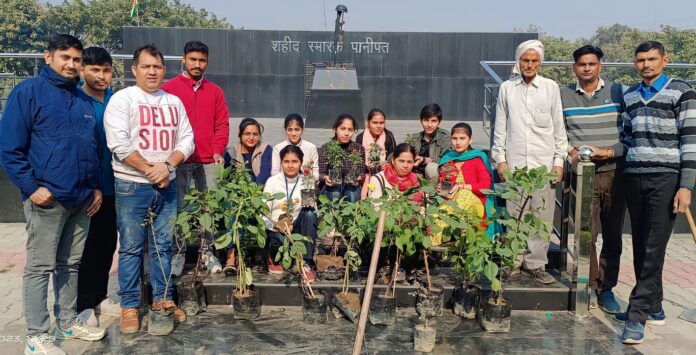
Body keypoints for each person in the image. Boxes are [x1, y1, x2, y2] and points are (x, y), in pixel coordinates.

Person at [0, 34, 105, 354]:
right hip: (48, 199)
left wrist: (95, 186)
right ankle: (36, 335)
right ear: (49, 58)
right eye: (65, 58)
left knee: (70, 265)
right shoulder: (28, 93)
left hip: (81, 199)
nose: (72, 64)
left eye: (77, 60)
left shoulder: (83, 100)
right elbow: (9, 150)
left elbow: (90, 149)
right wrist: (33, 188)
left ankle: (68, 321)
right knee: (39, 267)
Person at [104, 44, 195, 333]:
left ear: (163, 70)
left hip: (166, 186)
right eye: (146, 66)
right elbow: (119, 144)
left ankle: (162, 300)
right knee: (131, 249)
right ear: (134, 70)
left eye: (157, 66)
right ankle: (129, 306)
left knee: (162, 247)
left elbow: (187, 140)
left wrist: (167, 166)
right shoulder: (122, 100)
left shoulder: (173, 102)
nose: (152, 71)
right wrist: (150, 170)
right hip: (132, 186)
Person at [615, 41, 696, 345]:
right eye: (640, 60)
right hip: (635, 176)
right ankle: (656, 307)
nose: (646, 64)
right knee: (640, 245)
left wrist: (686, 185)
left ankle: (637, 316)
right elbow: (627, 138)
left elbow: (690, 140)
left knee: (653, 247)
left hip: (666, 178)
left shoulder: (682, 91)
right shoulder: (631, 95)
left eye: (652, 59)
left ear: (665, 60)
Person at [491, 39, 568, 285]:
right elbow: (500, 127)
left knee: (542, 216)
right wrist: (500, 160)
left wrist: (559, 161)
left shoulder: (550, 87)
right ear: (519, 61)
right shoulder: (507, 88)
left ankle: (535, 265)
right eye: (526, 60)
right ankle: (513, 261)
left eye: (535, 61)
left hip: (543, 165)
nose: (530, 65)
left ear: (540, 63)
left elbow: (559, 126)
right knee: (515, 215)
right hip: (515, 165)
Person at [560, 45, 626, 314]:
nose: (586, 68)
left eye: (591, 64)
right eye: (581, 64)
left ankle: (606, 289)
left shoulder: (617, 92)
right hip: (583, 173)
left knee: (613, 234)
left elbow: (630, 133)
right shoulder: (563, 95)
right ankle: (587, 283)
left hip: (614, 172)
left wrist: (610, 151)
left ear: (600, 65)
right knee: (587, 234)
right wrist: (573, 152)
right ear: (574, 67)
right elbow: (558, 133)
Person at [162, 40, 230, 277]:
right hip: (178, 161)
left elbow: (221, 124)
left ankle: (208, 252)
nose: (197, 64)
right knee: (179, 209)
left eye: (202, 60)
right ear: (184, 59)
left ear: (207, 62)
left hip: (207, 162)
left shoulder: (215, 91)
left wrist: (218, 149)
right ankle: (178, 253)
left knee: (208, 209)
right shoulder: (169, 89)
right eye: (193, 59)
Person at [75, 47, 121, 327]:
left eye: (106, 70)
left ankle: (101, 296)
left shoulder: (116, 101)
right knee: (84, 248)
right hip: (86, 189)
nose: (101, 76)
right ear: (83, 70)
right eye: (95, 70)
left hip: (114, 185)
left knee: (106, 244)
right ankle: (82, 305)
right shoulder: (75, 100)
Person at [263, 145, 318, 282]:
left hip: (297, 227)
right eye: (286, 161)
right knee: (278, 244)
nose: (290, 165)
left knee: (310, 213)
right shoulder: (273, 182)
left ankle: (306, 262)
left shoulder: (306, 180)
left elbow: (309, 210)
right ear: (281, 162)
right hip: (277, 227)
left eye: (294, 161)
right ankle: (272, 257)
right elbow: (263, 213)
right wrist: (276, 226)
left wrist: (292, 224)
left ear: (301, 162)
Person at [438, 123, 495, 223]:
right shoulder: (448, 159)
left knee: (464, 194)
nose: (458, 142)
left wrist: (462, 187)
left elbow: (485, 186)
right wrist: (440, 188)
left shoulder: (477, 158)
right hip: (451, 203)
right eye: (454, 138)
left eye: (462, 138)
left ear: (470, 140)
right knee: (436, 216)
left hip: (475, 203)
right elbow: (446, 190)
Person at [318, 114, 366, 202]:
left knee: (351, 192)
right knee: (335, 191)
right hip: (331, 187)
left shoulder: (359, 148)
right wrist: (325, 177)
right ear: (335, 129)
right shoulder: (326, 148)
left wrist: (359, 177)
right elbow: (320, 173)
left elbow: (362, 172)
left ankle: (351, 215)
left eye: (350, 130)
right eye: (342, 129)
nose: (346, 133)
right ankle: (332, 215)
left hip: (352, 187)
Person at [406, 103, 451, 185]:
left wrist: (424, 160)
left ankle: (432, 195)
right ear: (421, 121)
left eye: (433, 121)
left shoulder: (444, 136)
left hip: (435, 176)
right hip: (415, 174)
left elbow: (447, 158)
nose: (429, 125)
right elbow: (400, 152)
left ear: (439, 122)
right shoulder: (414, 138)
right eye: (426, 120)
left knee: (431, 167)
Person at [356, 108, 397, 198]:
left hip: (385, 172)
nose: (378, 126)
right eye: (375, 123)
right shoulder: (360, 137)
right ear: (368, 122)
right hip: (365, 174)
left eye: (381, 123)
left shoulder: (389, 136)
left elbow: (393, 156)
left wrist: (385, 164)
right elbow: (358, 161)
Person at [271, 113, 319, 180]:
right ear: (285, 130)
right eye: (290, 130)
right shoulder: (278, 148)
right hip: (283, 185)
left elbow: (315, 174)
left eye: (297, 129)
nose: (293, 134)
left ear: (302, 130)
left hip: (305, 184)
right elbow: (275, 172)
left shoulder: (311, 148)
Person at [225, 117, 272, 184]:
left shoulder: (265, 149)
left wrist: (252, 192)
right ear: (240, 134)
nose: (251, 138)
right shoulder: (231, 152)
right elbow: (227, 178)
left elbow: (264, 175)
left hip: (259, 190)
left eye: (255, 134)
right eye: (247, 134)